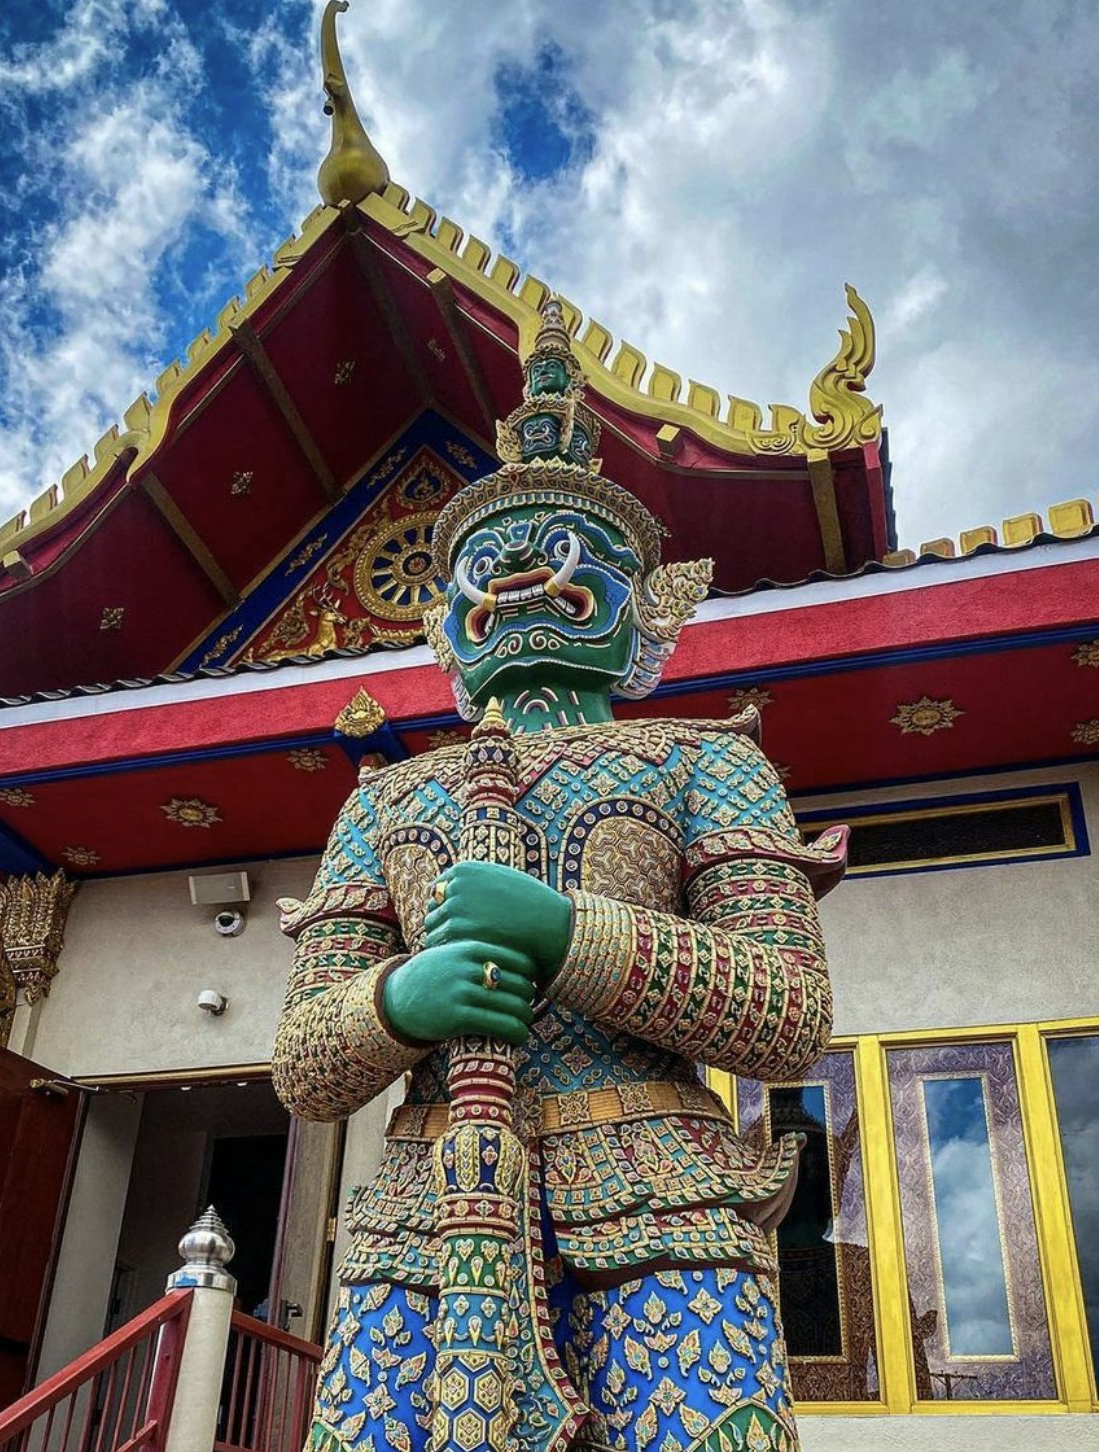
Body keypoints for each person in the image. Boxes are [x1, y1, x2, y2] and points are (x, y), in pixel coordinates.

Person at [273, 301, 847, 1452]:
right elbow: (302, 1063)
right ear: (445, 623)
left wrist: (567, 929)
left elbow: (788, 1014)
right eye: (489, 559)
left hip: (663, 1203)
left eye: (571, 552)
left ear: (650, 609)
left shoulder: (709, 764)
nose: (527, 571)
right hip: (423, 1218)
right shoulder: (385, 799)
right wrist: (399, 1001)